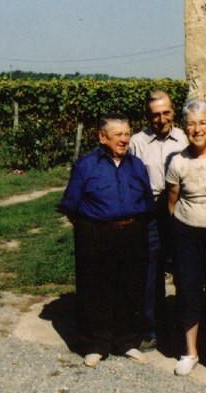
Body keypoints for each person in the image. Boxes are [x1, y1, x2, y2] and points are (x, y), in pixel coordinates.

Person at [59, 114, 155, 368]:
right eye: (118, 135)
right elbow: (71, 205)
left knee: (131, 287)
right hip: (96, 233)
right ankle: (94, 345)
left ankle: (127, 341)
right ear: (102, 137)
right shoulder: (85, 166)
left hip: (133, 233)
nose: (124, 139)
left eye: (127, 134)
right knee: (95, 288)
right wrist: (94, 227)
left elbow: (147, 200)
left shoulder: (136, 165)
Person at [165, 99, 206, 378]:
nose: (197, 129)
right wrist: (182, 230)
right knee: (189, 290)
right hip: (187, 232)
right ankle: (190, 352)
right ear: (184, 128)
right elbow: (172, 201)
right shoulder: (178, 161)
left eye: (202, 122)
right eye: (191, 123)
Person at [129, 90, 188, 349]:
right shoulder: (136, 142)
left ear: (173, 112)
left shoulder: (186, 139)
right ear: (148, 117)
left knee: (183, 270)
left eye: (166, 113)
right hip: (150, 211)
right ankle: (152, 328)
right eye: (155, 115)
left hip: (180, 211)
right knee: (150, 271)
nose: (161, 120)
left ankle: (182, 328)